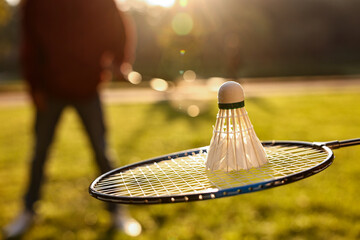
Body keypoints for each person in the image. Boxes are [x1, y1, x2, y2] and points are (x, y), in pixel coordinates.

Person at [3, 0, 140, 238]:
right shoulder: (34, 4)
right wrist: (34, 87)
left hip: (87, 86)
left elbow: (116, 27)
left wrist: (120, 61)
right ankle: (28, 210)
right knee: (39, 153)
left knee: (101, 150)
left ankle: (116, 209)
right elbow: (30, 43)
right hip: (49, 89)